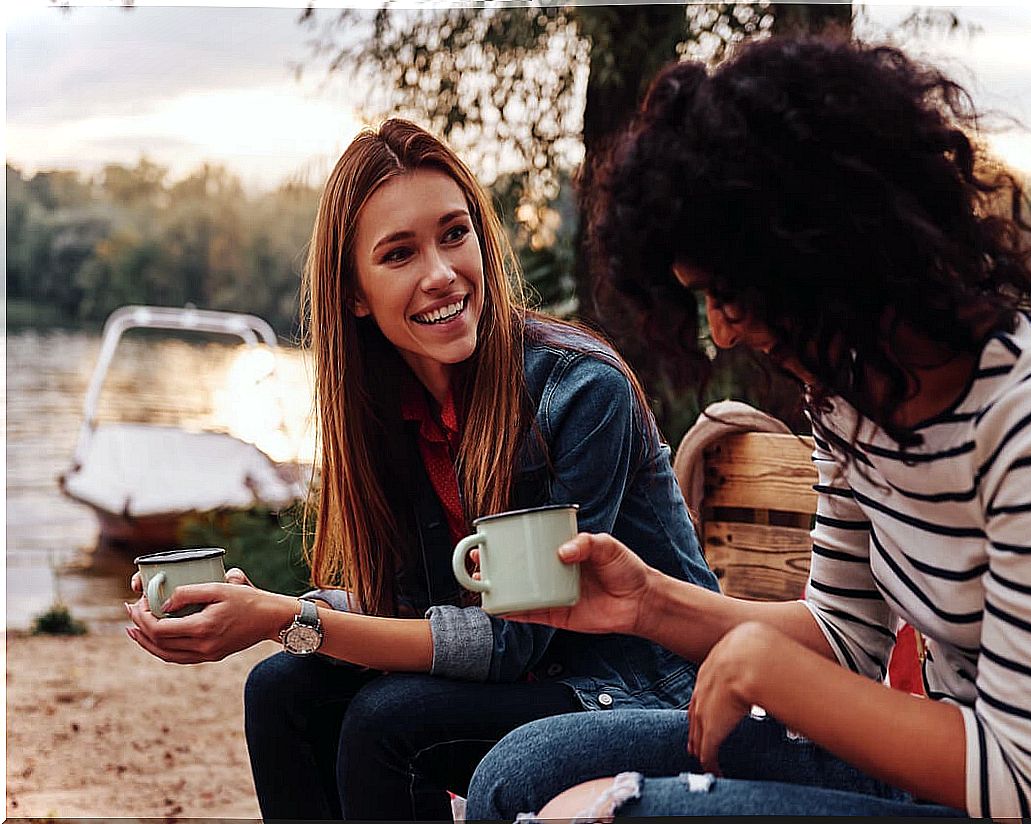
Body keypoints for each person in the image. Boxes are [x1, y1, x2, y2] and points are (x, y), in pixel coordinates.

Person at [467, 33, 1031, 821]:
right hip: (945, 760)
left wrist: (769, 670)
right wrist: (649, 605)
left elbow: (1017, 780)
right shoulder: (852, 398)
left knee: (615, 812)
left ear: (834, 245)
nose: (722, 332)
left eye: (730, 292)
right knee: (521, 771)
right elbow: (846, 637)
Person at [124, 119, 718, 821]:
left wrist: (287, 618)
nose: (441, 273)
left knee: (387, 723)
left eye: (454, 234)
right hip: (531, 680)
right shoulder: (390, 411)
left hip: (640, 697)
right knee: (281, 692)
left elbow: (510, 639)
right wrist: (256, 610)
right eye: (400, 253)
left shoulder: (582, 392)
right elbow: (407, 611)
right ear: (354, 293)